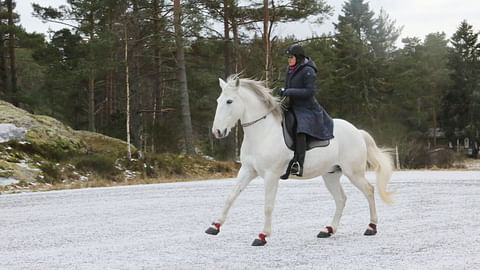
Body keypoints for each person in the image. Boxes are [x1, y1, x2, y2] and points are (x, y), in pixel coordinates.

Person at [278, 44, 334, 179]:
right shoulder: (290, 69)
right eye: (288, 57)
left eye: (291, 57)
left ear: (298, 57)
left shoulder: (308, 70)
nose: (289, 59)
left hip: (307, 108)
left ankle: (298, 163)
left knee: (300, 129)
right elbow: (288, 88)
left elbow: (310, 91)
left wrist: (288, 91)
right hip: (294, 105)